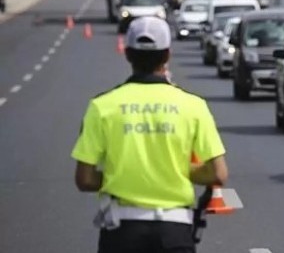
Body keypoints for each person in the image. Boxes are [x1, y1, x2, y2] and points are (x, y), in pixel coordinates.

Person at [71, 16, 229, 253]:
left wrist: (123, 175)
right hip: (175, 230)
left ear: (127, 53)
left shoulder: (102, 106)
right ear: (167, 55)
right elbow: (218, 173)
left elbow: (84, 179)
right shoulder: (193, 106)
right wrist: (175, 171)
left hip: (122, 231)